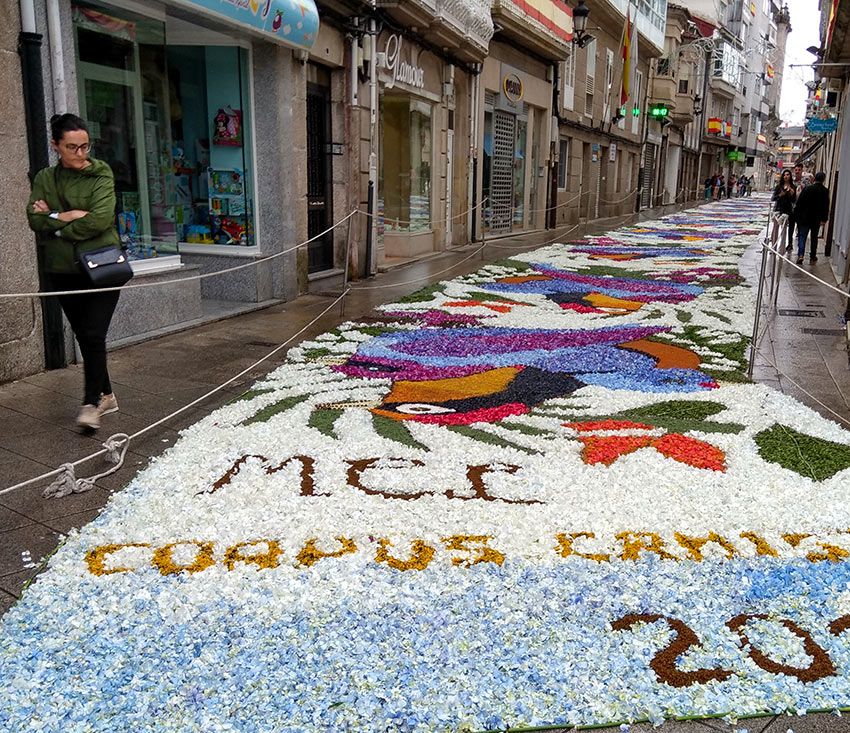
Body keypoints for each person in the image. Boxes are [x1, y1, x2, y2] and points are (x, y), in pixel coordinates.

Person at [26, 113, 122, 431]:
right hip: (63, 269)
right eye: (72, 147)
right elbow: (34, 220)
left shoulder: (102, 173)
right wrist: (65, 215)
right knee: (85, 335)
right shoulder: (44, 178)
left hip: (102, 266)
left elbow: (100, 219)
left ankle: (91, 404)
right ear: (56, 146)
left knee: (93, 333)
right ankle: (107, 393)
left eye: (85, 146)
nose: (81, 154)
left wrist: (54, 222)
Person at [793, 171, 831, 265]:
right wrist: (824, 219)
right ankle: (813, 255)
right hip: (816, 219)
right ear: (823, 179)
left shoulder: (807, 189)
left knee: (802, 236)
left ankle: (801, 255)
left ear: (814, 179)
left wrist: (797, 215)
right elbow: (825, 206)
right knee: (814, 237)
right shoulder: (825, 191)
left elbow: (799, 203)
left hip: (804, 218)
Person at [771, 169, 797, 251]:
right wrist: (780, 195)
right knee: (775, 228)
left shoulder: (793, 187)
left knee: (784, 229)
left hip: (787, 210)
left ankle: (781, 248)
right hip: (778, 209)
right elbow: (773, 198)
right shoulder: (779, 187)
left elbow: (793, 201)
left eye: (788, 175)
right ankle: (773, 247)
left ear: (790, 176)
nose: (786, 176)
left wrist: (792, 194)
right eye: (785, 175)